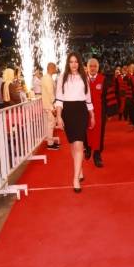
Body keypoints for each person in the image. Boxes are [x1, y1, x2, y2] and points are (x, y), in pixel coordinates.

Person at [55, 52, 95, 193]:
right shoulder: (62, 77)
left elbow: (88, 99)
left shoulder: (84, 77)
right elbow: (59, 99)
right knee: (73, 144)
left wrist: (92, 115)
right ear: (68, 63)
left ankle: (75, 178)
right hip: (67, 112)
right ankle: (80, 169)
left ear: (79, 63)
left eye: (76, 61)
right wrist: (58, 116)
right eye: (71, 61)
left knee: (79, 144)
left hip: (81, 111)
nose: (74, 64)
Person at [84, 58, 109, 168]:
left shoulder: (103, 79)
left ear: (98, 68)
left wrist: (107, 112)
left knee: (99, 133)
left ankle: (97, 155)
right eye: (91, 66)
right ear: (87, 67)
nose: (93, 68)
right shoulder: (83, 79)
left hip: (100, 111)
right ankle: (88, 148)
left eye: (95, 66)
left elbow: (107, 97)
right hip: (85, 111)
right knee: (86, 131)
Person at [41, 62, 60, 150]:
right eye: (55, 68)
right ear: (51, 68)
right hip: (50, 105)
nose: (56, 70)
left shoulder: (47, 77)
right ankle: (50, 144)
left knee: (51, 124)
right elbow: (50, 92)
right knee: (51, 124)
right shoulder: (47, 78)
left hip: (49, 105)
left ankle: (50, 142)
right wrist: (54, 104)